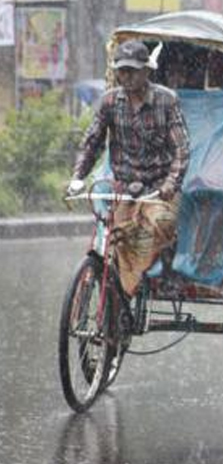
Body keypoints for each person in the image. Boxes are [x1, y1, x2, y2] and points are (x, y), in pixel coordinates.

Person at [67, 39, 190, 297]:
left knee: (160, 224)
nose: (127, 76)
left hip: (159, 189)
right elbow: (92, 143)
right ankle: (118, 305)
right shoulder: (110, 102)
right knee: (118, 238)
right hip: (125, 188)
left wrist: (170, 184)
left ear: (147, 71)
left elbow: (181, 150)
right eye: (122, 70)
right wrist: (78, 176)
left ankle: (162, 272)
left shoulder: (167, 101)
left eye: (133, 70)